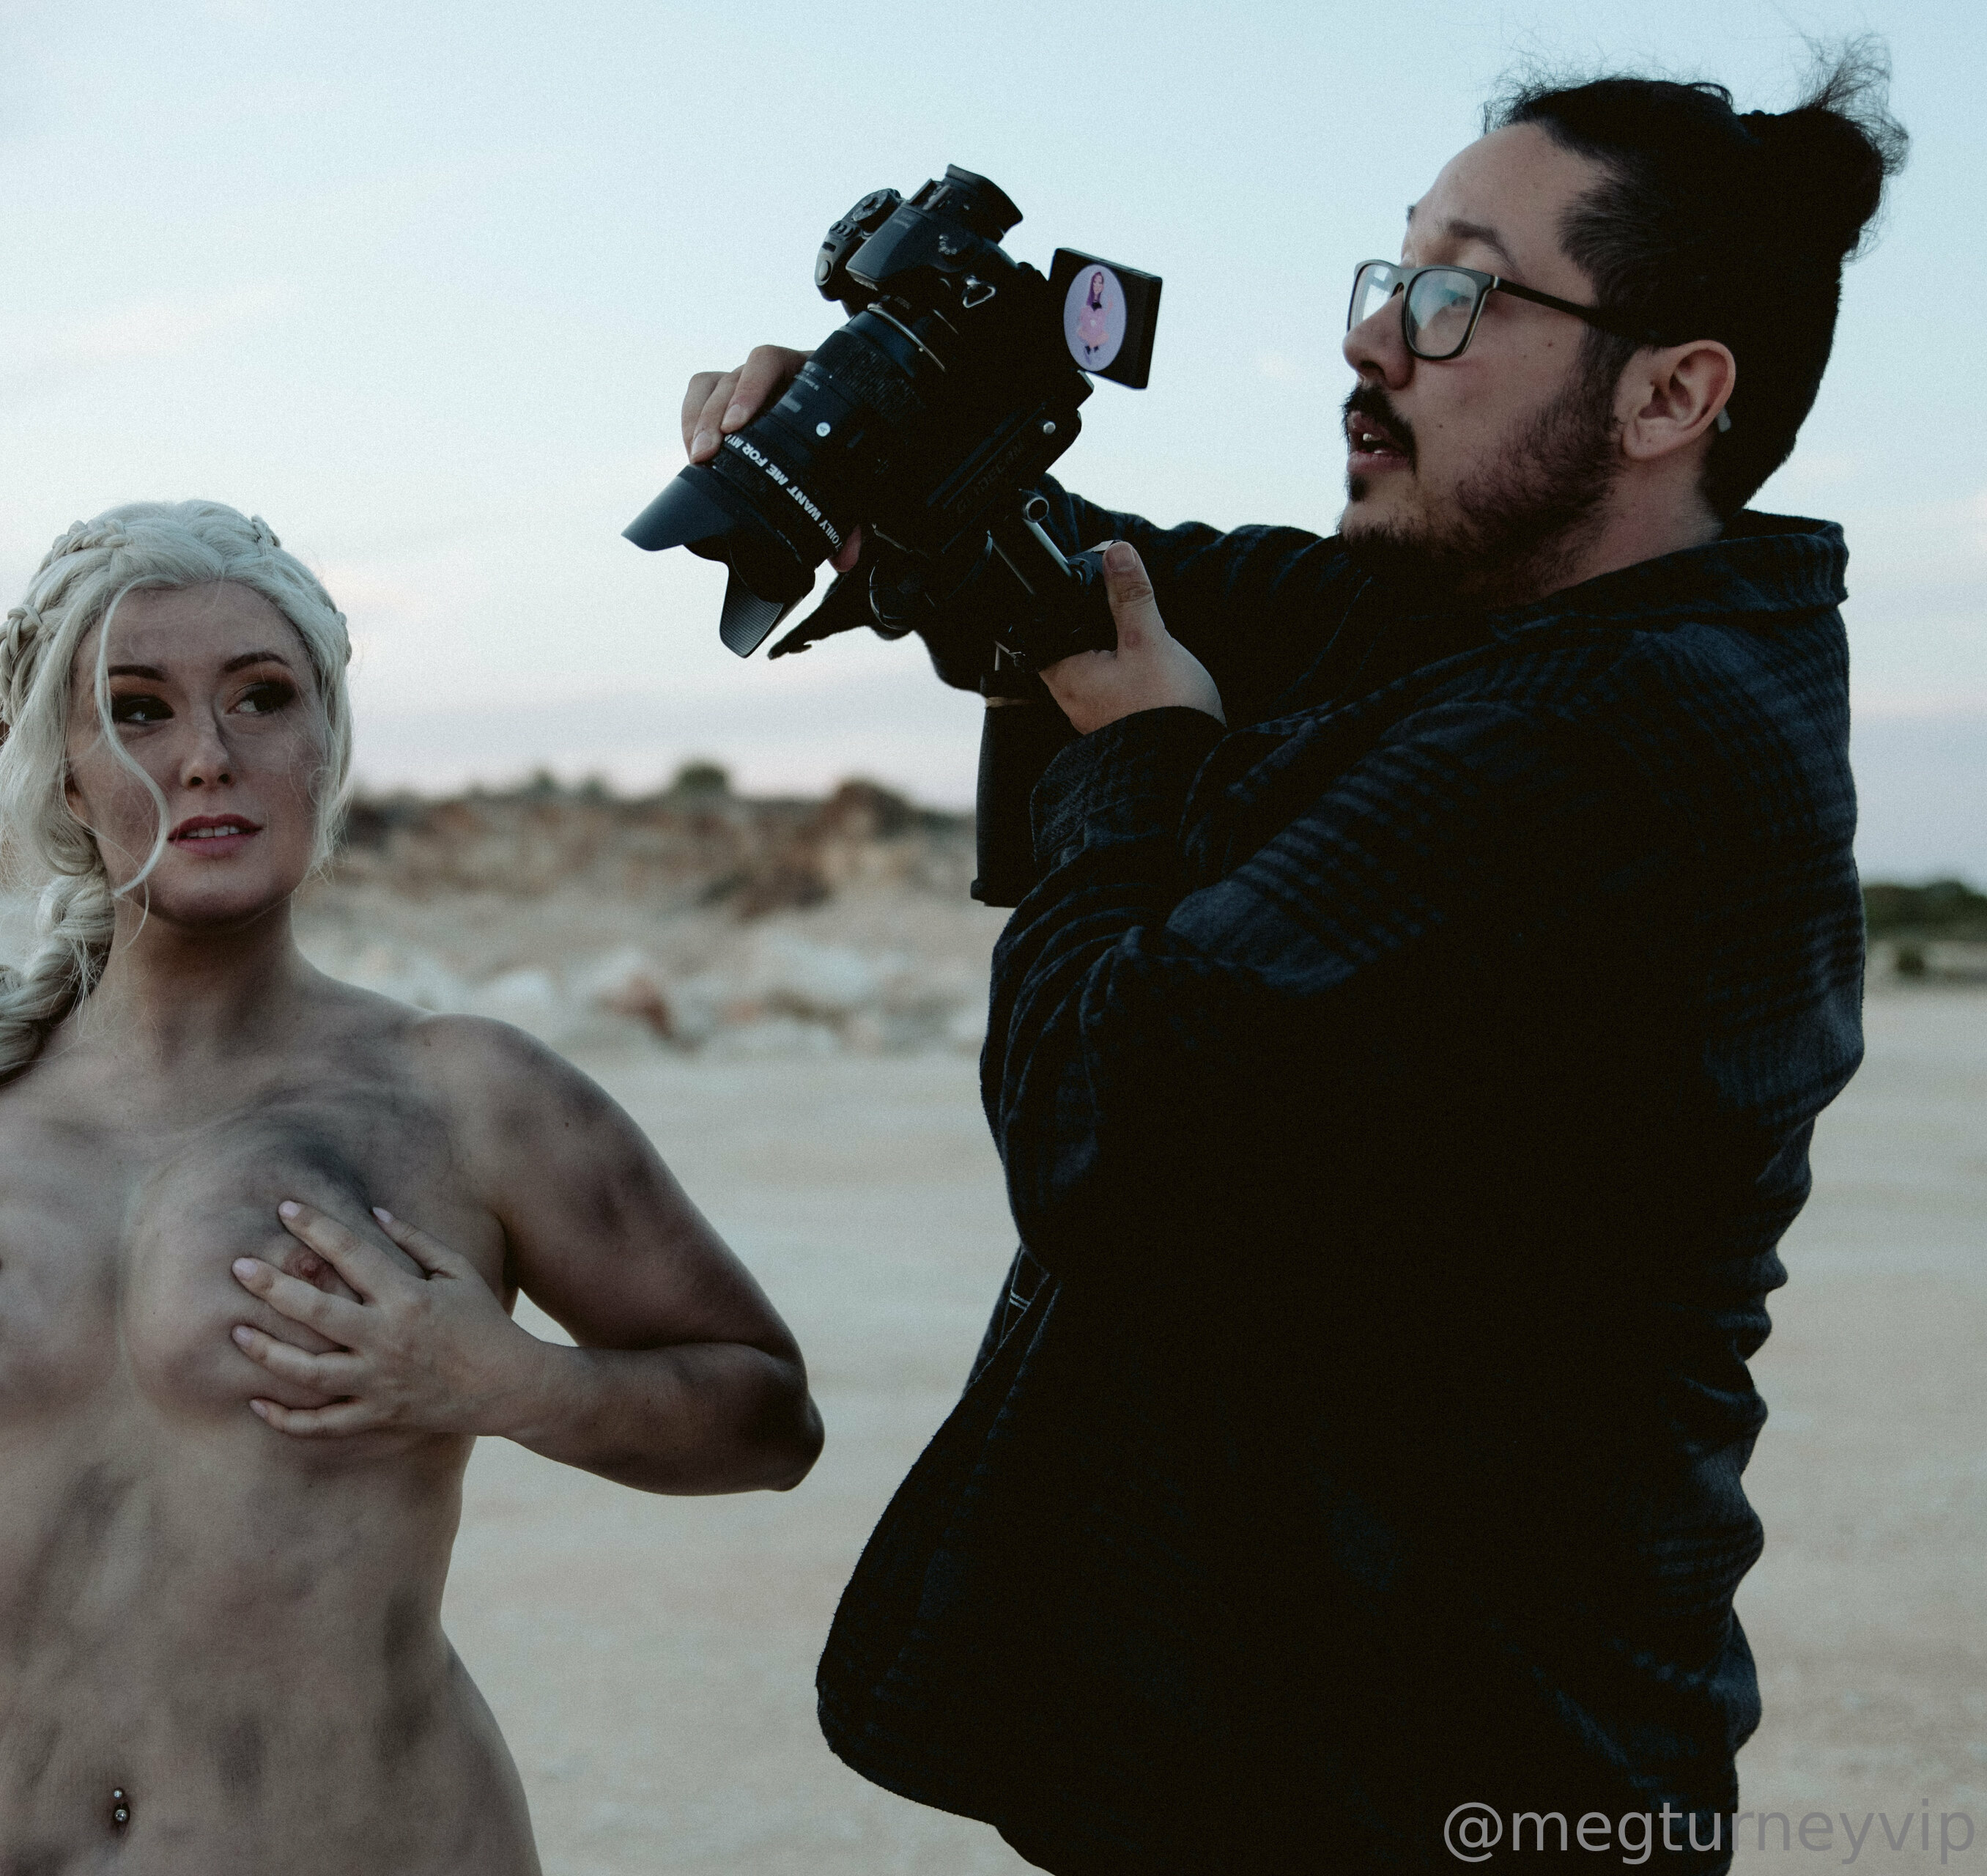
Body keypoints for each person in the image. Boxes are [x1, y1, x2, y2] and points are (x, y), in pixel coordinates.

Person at [677, 50, 1903, 1875]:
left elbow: (1101, 1122)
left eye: (1460, 293)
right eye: (1392, 272)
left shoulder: (1617, 733)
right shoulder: (1500, 628)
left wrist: (1138, 764)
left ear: (1673, 392)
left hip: (1427, 1779)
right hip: (1319, 1752)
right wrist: (879, 449)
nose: (1373, 338)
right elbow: (1118, 587)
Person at [0, 501, 823, 1875]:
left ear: (326, 742)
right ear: (64, 776)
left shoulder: (468, 1099)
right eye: (138, 711)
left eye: (263, 697)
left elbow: (772, 1420)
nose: (208, 755)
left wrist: (513, 1383)